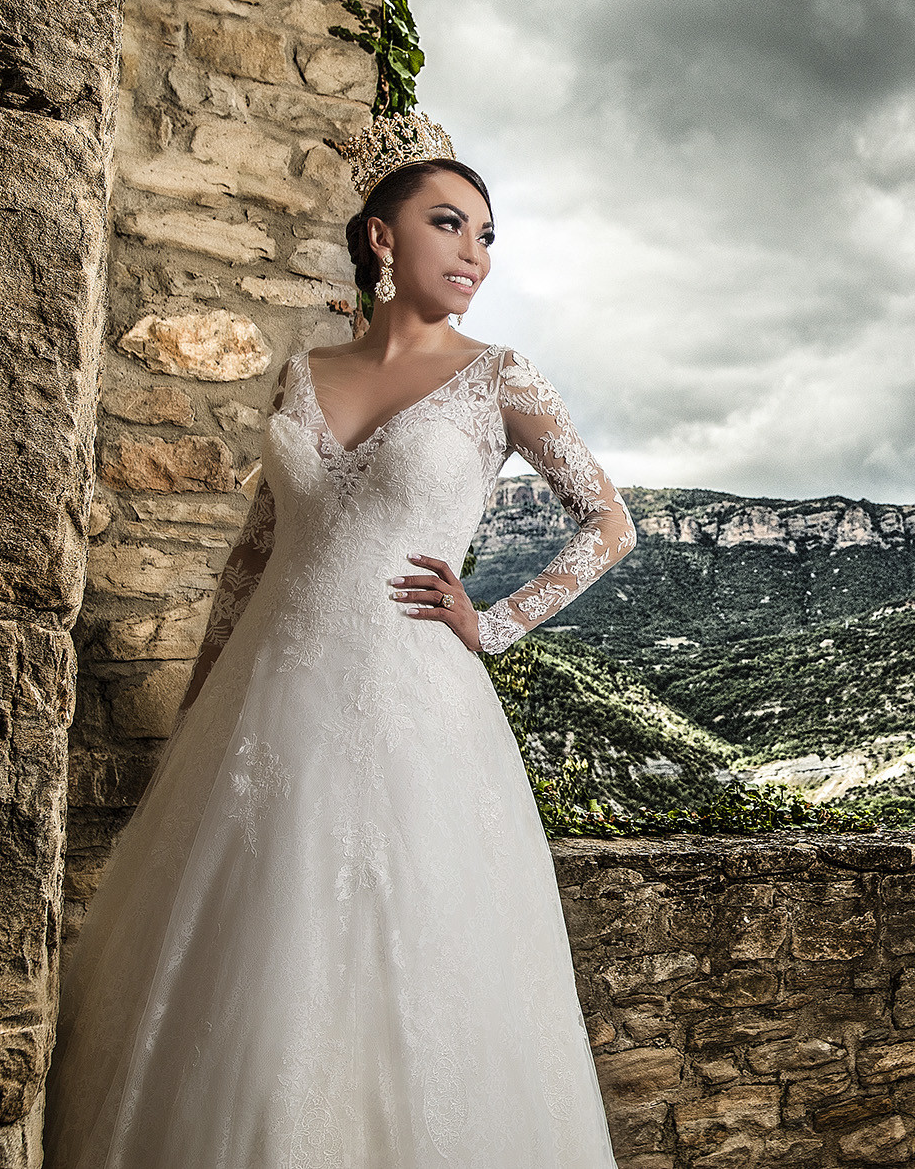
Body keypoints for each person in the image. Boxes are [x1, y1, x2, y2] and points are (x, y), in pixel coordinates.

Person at [44, 111, 636, 1167]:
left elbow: (609, 522)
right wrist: (195, 714)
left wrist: (491, 622)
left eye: (487, 236)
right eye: (449, 224)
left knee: (409, 966)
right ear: (380, 239)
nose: (474, 254)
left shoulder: (500, 374)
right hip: (267, 703)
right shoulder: (301, 369)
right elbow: (248, 559)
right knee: (246, 970)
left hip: (415, 703)